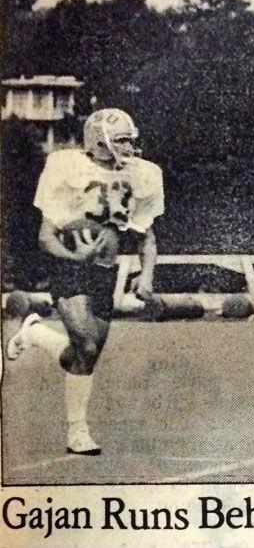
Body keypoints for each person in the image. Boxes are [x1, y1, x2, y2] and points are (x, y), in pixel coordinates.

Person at [6, 108, 164, 454]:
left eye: (129, 140)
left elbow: (146, 238)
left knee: (85, 356)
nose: (129, 147)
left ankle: (36, 334)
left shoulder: (142, 175)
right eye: (121, 140)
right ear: (100, 141)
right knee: (88, 346)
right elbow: (46, 237)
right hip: (68, 264)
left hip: (104, 270)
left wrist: (146, 275)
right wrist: (76, 256)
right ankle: (77, 432)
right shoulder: (69, 169)